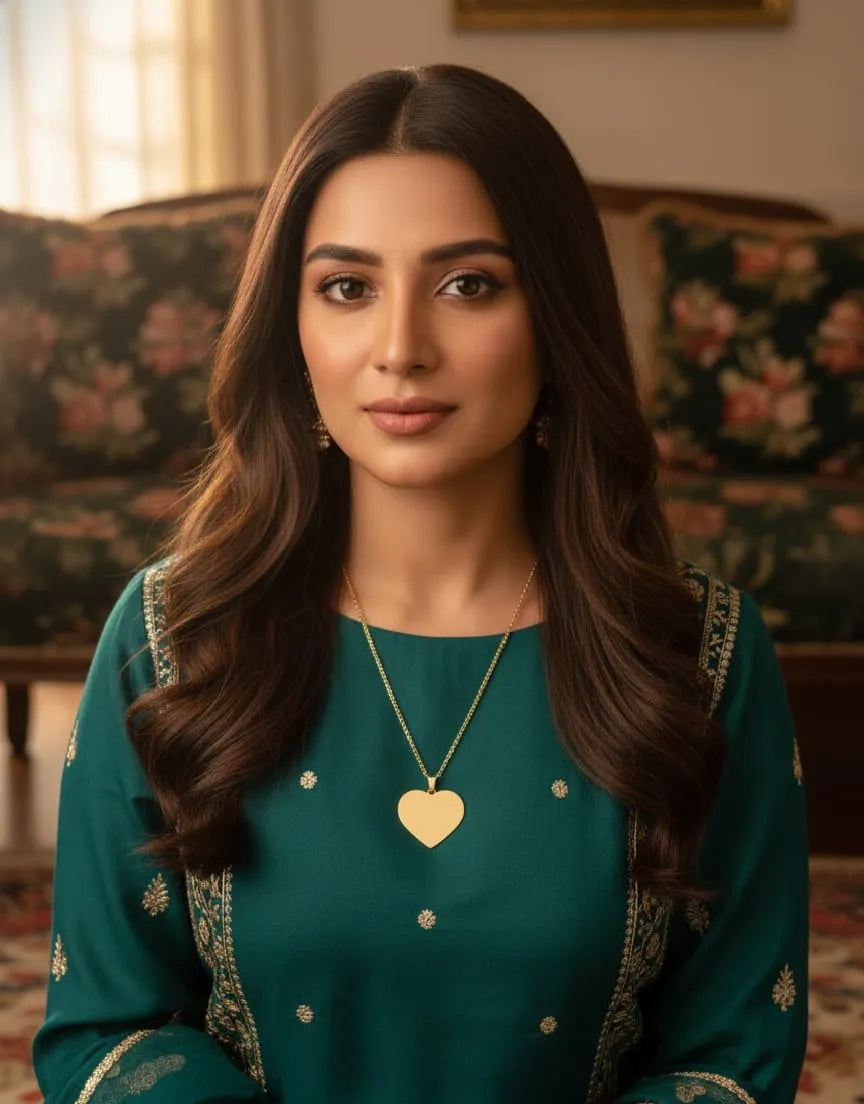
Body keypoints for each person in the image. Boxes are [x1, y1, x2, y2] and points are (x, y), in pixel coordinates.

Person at [32, 63, 808, 1103]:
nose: (401, 349)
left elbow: (735, 1056)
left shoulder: (701, 655)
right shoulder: (170, 637)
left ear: (555, 314)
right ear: (291, 326)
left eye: (468, 284)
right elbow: (110, 1032)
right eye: (348, 287)